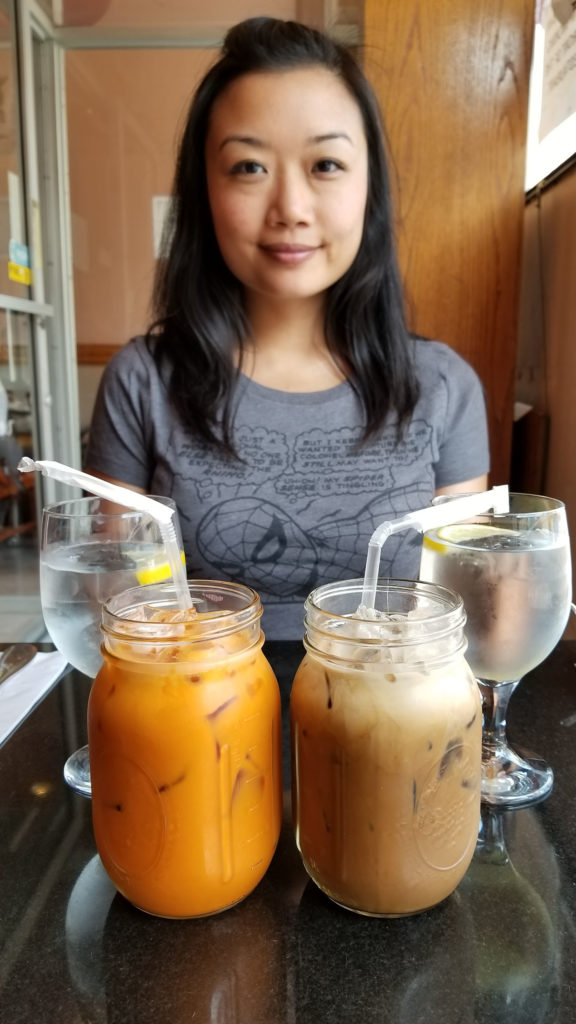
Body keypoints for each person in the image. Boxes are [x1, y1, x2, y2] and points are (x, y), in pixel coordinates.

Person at [86, 16, 489, 640]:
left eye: (326, 164)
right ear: (203, 191)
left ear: (370, 186)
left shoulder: (443, 386)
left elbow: (463, 614)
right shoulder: (143, 381)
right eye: (249, 167)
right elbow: (116, 610)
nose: (291, 209)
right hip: (194, 694)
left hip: (390, 694)